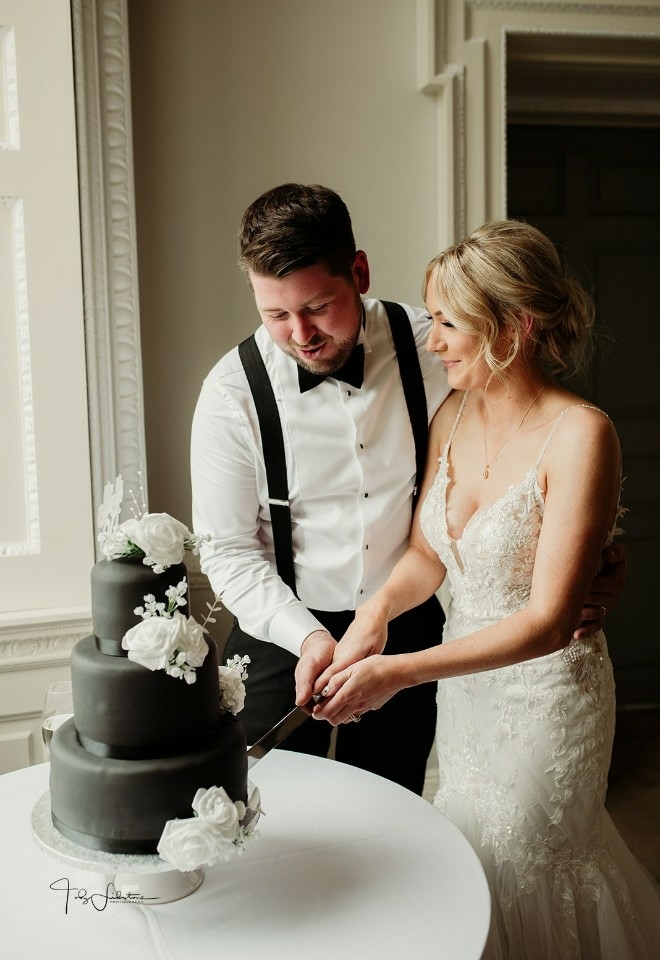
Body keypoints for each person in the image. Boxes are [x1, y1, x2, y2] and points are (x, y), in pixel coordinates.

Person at [191, 184, 622, 796]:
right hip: (282, 630)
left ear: (359, 272)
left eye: (318, 306)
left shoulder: (437, 343)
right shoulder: (230, 395)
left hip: (412, 629)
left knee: (394, 816)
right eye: (275, 315)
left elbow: (532, 446)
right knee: (262, 813)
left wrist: (598, 558)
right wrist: (310, 635)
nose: (301, 334)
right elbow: (228, 549)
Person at [307, 220, 660, 958]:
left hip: (548, 702)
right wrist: (375, 615)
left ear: (517, 325)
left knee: (534, 867)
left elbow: (549, 618)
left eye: (448, 323)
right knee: (473, 862)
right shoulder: (453, 415)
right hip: (466, 696)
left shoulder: (582, 435)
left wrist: (397, 673)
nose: (433, 341)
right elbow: (428, 558)